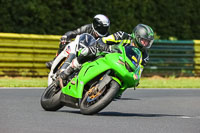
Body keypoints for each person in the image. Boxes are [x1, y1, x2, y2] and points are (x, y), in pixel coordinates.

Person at [58, 24, 154, 90]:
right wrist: (108, 48)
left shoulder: (144, 56)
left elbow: (139, 70)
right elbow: (102, 41)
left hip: (120, 66)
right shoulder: (122, 36)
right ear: (136, 36)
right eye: (144, 41)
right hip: (106, 54)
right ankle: (69, 71)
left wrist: (136, 79)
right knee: (88, 51)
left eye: (148, 42)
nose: (145, 44)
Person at [46, 14, 111, 69]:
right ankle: (55, 61)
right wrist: (66, 36)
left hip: (92, 57)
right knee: (64, 43)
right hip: (79, 48)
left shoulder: (108, 37)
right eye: (101, 28)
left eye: (105, 29)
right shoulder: (87, 28)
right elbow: (75, 32)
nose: (103, 31)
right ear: (96, 25)